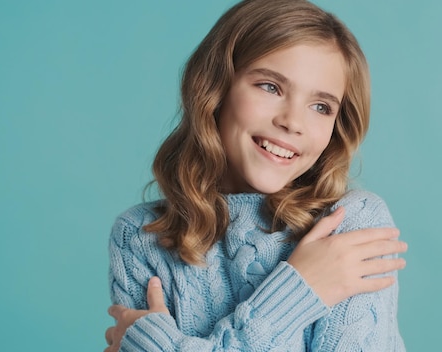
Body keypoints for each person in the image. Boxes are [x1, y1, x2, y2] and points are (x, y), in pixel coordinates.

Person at [104, 0, 408, 351]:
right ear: (215, 87)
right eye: (270, 87)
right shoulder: (139, 239)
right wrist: (300, 289)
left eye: (321, 107)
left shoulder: (350, 225)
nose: (292, 122)